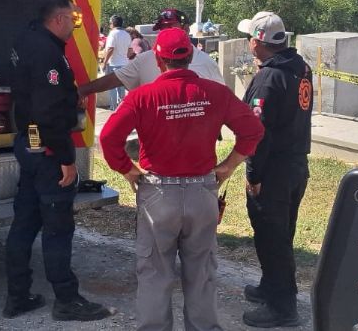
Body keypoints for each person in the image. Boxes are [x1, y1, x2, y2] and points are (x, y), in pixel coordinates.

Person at [99, 28, 265, 331]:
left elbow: (109, 138)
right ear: (190, 57)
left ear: (158, 61)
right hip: (202, 192)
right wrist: (228, 166)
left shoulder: (142, 97)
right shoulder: (215, 93)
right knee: (201, 272)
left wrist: (128, 170)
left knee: (154, 272)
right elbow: (253, 131)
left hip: (158, 195)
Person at [4, 0, 110, 322]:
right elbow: (47, 111)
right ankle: (66, 299)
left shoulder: (27, 39)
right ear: (58, 19)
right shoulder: (48, 53)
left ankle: (18, 296)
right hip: (47, 149)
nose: (78, 25)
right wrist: (65, 157)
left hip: (29, 141)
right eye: (74, 19)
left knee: (24, 223)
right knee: (57, 228)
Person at [236, 11, 313, 328]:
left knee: (272, 238)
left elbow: (257, 133)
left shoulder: (269, 78)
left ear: (257, 41)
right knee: (282, 233)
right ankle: (271, 286)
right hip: (296, 165)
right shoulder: (300, 67)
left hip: (274, 171)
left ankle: (282, 308)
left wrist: (254, 175)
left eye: (248, 38)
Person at [79, 8, 223, 99]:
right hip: (155, 144)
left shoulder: (207, 63)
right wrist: (81, 92)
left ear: (185, 29)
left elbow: (223, 101)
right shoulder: (145, 60)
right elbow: (114, 79)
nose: (166, 32)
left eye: (171, 27)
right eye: (162, 28)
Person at [102, 15, 131, 110]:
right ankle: (122, 107)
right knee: (121, 88)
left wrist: (105, 62)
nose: (110, 25)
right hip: (124, 63)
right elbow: (130, 51)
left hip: (114, 64)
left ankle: (113, 107)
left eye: (110, 23)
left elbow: (110, 49)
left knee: (112, 87)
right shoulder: (127, 34)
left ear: (113, 23)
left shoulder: (113, 34)